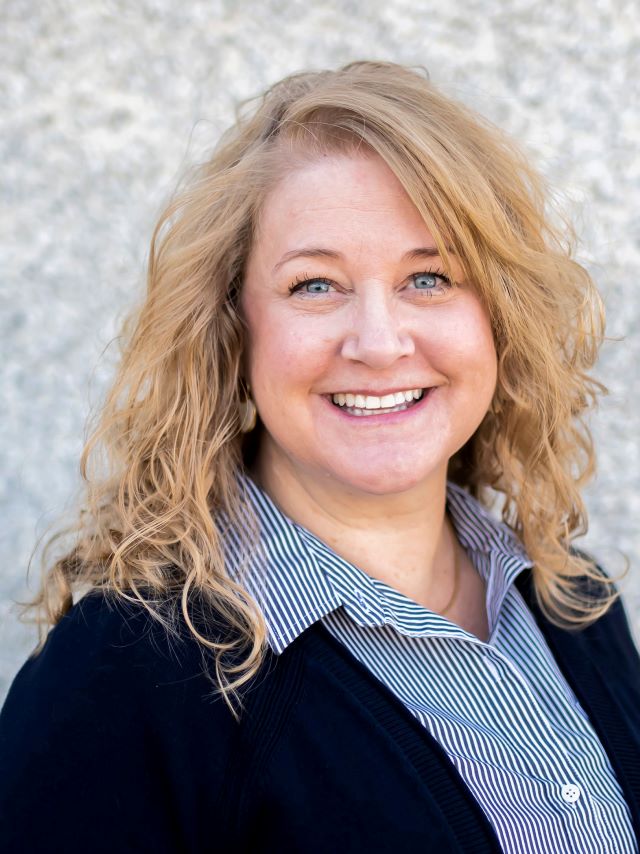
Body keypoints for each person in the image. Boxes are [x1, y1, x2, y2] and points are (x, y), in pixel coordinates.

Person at [0, 61, 638, 854]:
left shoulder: (574, 601)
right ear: (233, 331)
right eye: (314, 286)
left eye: (430, 277)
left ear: (500, 322)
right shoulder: (123, 683)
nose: (378, 343)